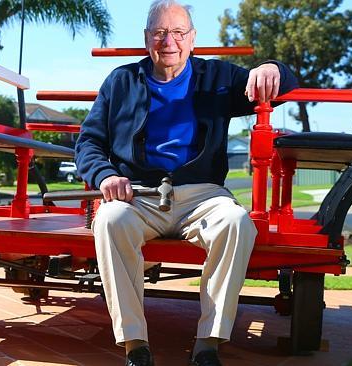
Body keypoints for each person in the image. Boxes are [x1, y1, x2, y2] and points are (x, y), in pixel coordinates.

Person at [75, 1, 298, 365]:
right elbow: (88, 142)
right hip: (139, 195)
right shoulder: (121, 80)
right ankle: (135, 346)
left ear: (192, 39)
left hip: (202, 196)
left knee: (236, 222)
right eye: (160, 32)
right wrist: (106, 176)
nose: (169, 41)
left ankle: (208, 343)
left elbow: (286, 81)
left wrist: (272, 68)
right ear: (147, 38)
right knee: (109, 221)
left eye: (178, 32)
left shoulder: (218, 78)